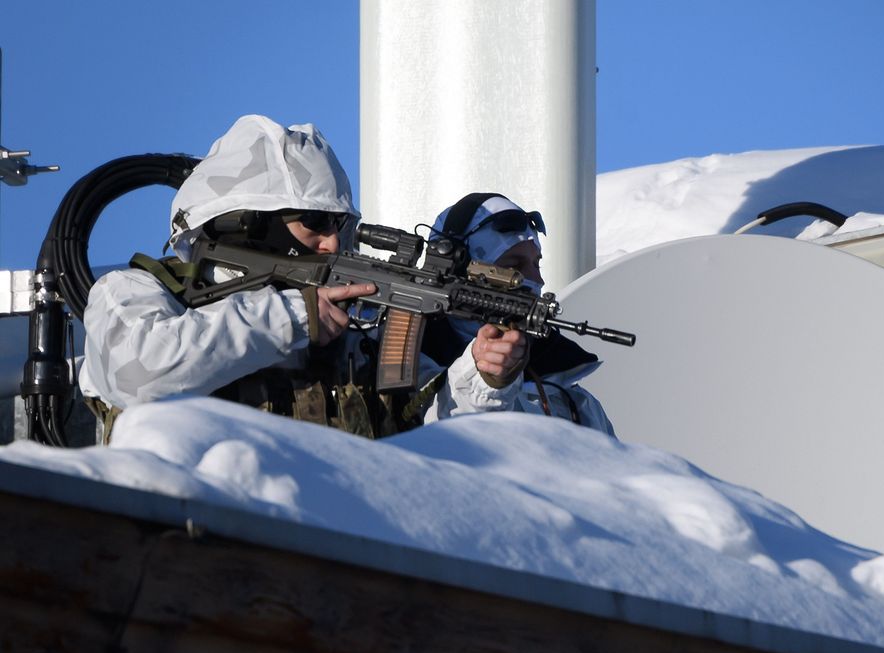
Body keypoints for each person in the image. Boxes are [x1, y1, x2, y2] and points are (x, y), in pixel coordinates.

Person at [78, 116, 527, 440]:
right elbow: (138, 374)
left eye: (340, 227)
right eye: (315, 222)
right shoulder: (137, 293)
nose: (332, 244)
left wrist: (481, 378)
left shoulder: (350, 337)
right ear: (250, 224)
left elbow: (435, 435)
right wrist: (293, 317)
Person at [424, 192, 614, 435]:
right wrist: (485, 379)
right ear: (463, 272)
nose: (537, 280)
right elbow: (426, 434)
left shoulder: (573, 400)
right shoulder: (399, 360)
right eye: (513, 267)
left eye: (536, 264)